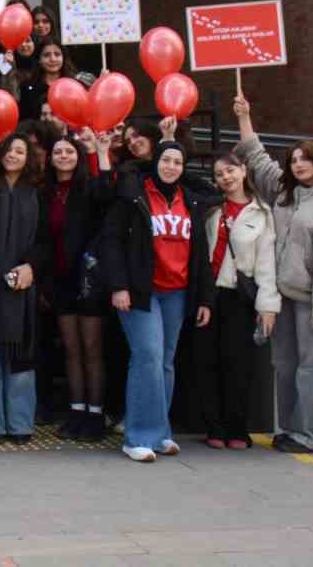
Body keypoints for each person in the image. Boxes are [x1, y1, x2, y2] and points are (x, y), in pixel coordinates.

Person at [233, 94, 313, 452]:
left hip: (312, 301)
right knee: (285, 365)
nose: (298, 165)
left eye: (305, 159)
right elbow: (256, 156)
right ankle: (292, 429)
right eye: (294, 159)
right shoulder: (283, 192)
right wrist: (244, 116)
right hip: (283, 297)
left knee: (311, 370)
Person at [99, 140, 215, 462]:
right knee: (147, 358)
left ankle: (160, 433)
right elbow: (111, 243)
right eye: (166, 160)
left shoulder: (189, 200)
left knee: (164, 362)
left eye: (178, 162)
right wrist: (119, 286)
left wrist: (205, 298)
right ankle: (136, 437)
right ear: (155, 162)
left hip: (176, 293)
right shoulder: (133, 196)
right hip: (141, 291)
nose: (172, 167)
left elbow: (200, 254)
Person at [193, 152, 280, 450]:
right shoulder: (210, 210)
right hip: (209, 296)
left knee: (239, 365)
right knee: (207, 363)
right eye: (219, 174)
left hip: (240, 296)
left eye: (230, 170)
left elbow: (267, 263)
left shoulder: (261, 212)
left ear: (243, 171)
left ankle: (237, 428)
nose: (225, 178)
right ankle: (213, 427)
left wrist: (268, 306)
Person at [0, 132, 49, 444]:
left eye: (20, 151)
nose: (14, 155)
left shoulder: (39, 192)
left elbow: (46, 238)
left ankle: (19, 424)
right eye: (9, 150)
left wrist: (32, 266)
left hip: (25, 283)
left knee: (20, 354)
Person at [45, 130, 115, 441]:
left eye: (69, 152)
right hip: (59, 278)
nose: (63, 156)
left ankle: (95, 415)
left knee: (92, 350)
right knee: (72, 350)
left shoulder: (88, 186)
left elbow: (107, 194)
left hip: (89, 279)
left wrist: (100, 152)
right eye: (58, 152)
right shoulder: (45, 191)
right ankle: (76, 412)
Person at [18, 38, 76, 121]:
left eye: (57, 54)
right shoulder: (27, 87)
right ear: (39, 59)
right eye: (46, 55)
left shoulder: (73, 85)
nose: (53, 59)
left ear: (64, 57)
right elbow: (24, 121)